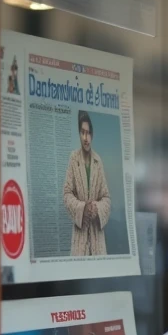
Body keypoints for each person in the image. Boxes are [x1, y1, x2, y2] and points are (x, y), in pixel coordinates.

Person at [63, 110, 112, 256]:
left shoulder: (98, 161)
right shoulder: (73, 159)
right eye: (83, 132)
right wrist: (82, 208)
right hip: (80, 235)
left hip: (98, 236)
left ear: (92, 135)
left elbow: (106, 197)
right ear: (79, 134)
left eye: (88, 133)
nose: (86, 138)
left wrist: (96, 208)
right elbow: (66, 193)